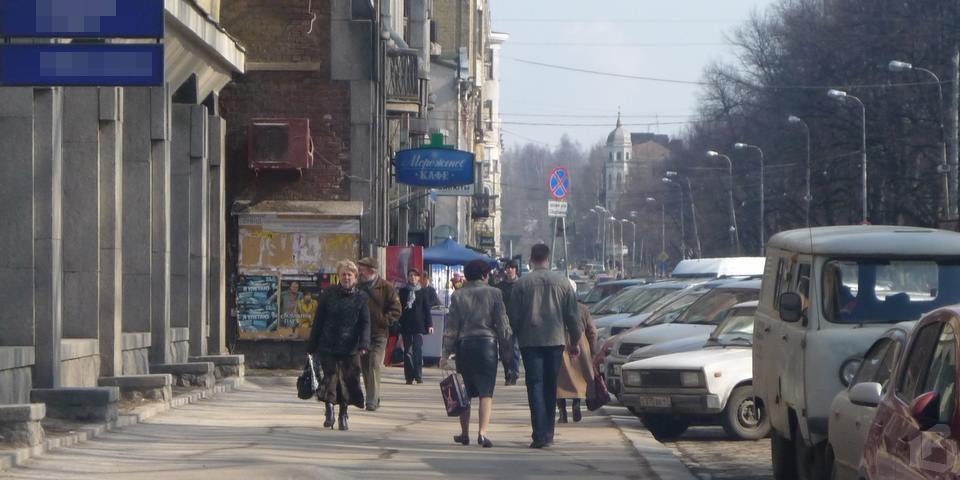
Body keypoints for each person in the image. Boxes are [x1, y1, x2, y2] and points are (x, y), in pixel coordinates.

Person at [509, 244, 582, 449]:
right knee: (551, 386)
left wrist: (511, 340)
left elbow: (513, 317)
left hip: (530, 342)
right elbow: (573, 316)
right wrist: (574, 341)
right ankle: (548, 433)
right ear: (548, 259)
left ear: (531, 259)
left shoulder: (521, 284)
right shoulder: (563, 283)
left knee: (535, 385)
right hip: (555, 341)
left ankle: (539, 434)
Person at [442, 259, 513, 448]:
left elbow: (452, 327)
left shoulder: (458, 295)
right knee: (485, 392)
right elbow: (502, 323)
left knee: (464, 391)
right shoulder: (495, 293)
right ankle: (482, 433)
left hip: (465, 346)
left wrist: (445, 353)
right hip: (487, 346)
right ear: (484, 275)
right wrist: (507, 349)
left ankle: (465, 433)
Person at [307, 260, 370, 431]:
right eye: (343, 274)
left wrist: (364, 343)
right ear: (338, 277)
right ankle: (329, 409)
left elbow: (365, 322)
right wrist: (312, 345)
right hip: (329, 345)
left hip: (350, 347)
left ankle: (343, 414)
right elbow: (318, 321)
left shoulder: (361, 297)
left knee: (348, 381)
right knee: (331, 378)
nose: (346, 278)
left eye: (349, 275)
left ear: (355, 277)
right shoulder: (328, 294)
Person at [357, 256, 402, 411]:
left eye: (362, 269)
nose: (360, 272)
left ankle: (371, 401)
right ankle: (374, 396)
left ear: (371, 270)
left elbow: (396, 309)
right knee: (365, 367)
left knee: (375, 364)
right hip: (362, 334)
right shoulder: (358, 287)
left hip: (379, 333)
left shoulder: (386, 287)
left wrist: (384, 320)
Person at [556, 283, 597, 423]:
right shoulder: (583, 309)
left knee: (559, 383)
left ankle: (562, 412)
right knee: (579, 380)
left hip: (561, 343)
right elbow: (592, 331)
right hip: (580, 344)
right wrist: (592, 351)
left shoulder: (556, 308)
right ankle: (576, 404)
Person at [399, 268, 434, 384]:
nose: (412, 277)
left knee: (417, 350)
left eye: (415, 275)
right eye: (410, 275)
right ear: (408, 277)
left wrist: (430, 324)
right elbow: (399, 308)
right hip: (406, 324)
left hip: (419, 325)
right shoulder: (403, 291)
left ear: (419, 277)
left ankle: (418, 375)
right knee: (407, 351)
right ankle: (409, 377)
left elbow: (427, 309)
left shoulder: (423, 292)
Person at [495, 260, 521, 385]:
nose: (509, 270)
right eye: (508, 268)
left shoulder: (521, 285)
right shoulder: (500, 287)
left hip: (516, 321)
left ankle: (514, 372)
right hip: (502, 322)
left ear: (516, 269)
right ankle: (508, 373)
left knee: (515, 348)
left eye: (512, 267)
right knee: (504, 351)